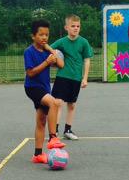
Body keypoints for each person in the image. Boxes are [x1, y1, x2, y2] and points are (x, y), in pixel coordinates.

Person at [23, 19, 65, 163]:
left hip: (45, 88)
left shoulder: (47, 51)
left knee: (41, 121)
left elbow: (61, 64)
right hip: (32, 87)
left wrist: (51, 50)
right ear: (33, 36)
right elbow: (31, 73)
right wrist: (46, 62)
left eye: (46, 35)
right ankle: (53, 137)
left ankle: (38, 155)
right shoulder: (29, 52)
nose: (44, 38)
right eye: (41, 35)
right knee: (54, 103)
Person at [50, 14, 93, 140]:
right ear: (66, 27)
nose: (76, 28)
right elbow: (50, 50)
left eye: (78, 26)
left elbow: (87, 60)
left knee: (72, 104)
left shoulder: (83, 42)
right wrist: (53, 62)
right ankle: (54, 131)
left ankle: (67, 130)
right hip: (62, 77)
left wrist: (85, 78)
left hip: (76, 78)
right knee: (57, 103)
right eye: (73, 26)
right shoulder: (62, 42)